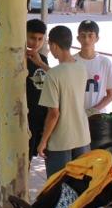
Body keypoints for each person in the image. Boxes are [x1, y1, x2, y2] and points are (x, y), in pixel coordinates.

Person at [37, 25, 90, 179]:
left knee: (57, 187)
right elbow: (64, 78)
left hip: (61, 140)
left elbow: (54, 113)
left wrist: (43, 141)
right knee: (80, 186)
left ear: (53, 45)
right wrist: (42, 64)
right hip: (82, 136)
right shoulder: (81, 67)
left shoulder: (53, 75)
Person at [76, 20, 112, 148]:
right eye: (83, 35)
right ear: (78, 38)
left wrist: (94, 110)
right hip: (76, 118)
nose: (86, 39)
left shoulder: (105, 63)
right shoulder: (72, 61)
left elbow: (111, 94)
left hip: (97, 119)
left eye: (90, 35)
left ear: (97, 38)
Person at [26, 19, 50, 159]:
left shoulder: (43, 59)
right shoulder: (18, 58)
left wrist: (40, 63)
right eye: (32, 38)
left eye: (40, 39)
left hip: (40, 117)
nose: (36, 43)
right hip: (25, 117)